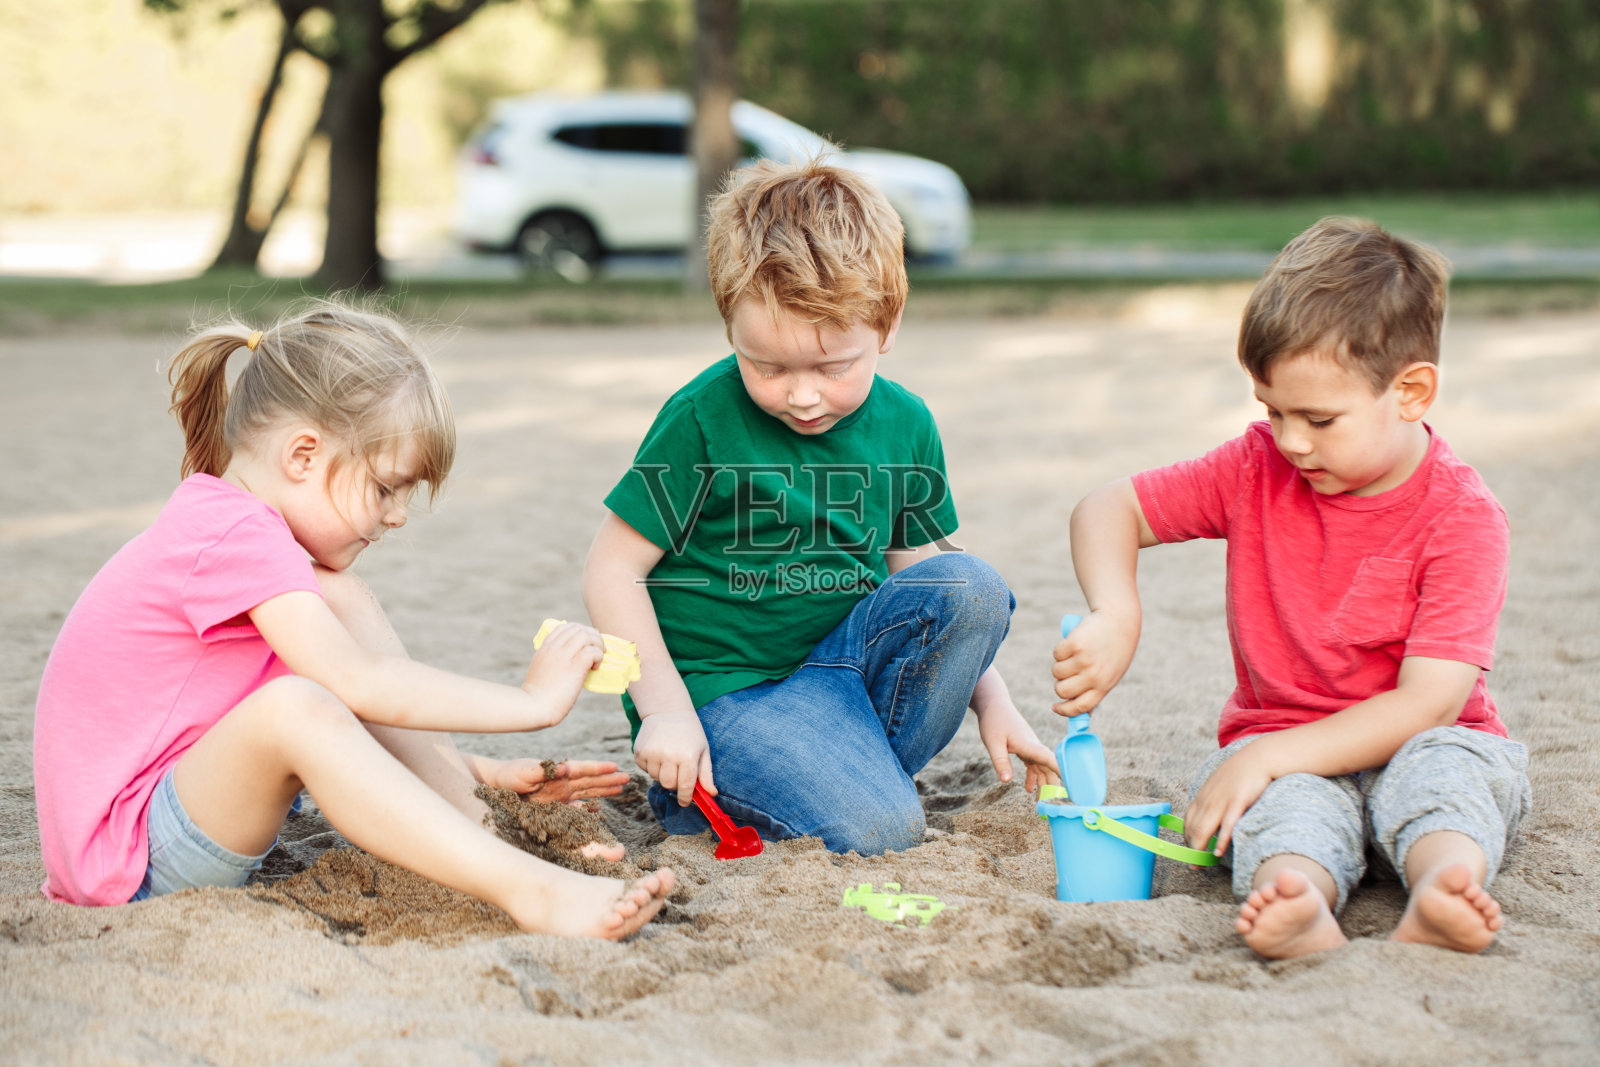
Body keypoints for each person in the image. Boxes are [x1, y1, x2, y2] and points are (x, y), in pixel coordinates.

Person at [33, 301, 673, 939]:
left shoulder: (243, 531)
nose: (396, 516)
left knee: (336, 603)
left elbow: (335, 718)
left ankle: (474, 817)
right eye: (386, 487)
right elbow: (354, 686)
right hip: (128, 860)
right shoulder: (237, 534)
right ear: (303, 455)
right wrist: (532, 700)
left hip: (170, 816)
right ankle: (529, 890)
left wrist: (478, 773)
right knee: (297, 704)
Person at [1053, 217, 1531, 958]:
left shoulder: (1463, 517)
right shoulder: (1256, 470)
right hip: (1282, 746)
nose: (1291, 440)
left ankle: (1442, 886)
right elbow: (1108, 507)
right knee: (1282, 812)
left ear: (1410, 392)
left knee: (1444, 782)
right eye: (1271, 410)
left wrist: (1264, 756)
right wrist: (1118, 610)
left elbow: (1430, 699)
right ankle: (1300, 897)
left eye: (1318, 418)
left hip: (1428, 736)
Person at [583, 158, 1058, 855]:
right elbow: (610, 569)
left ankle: (830, 775)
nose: (801, 395)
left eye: (833, 367)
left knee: (974, 586)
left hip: (844, 675)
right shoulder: (701, 418)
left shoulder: (907, 424)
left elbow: (919, 576)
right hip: (728, 696)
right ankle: (734, 787)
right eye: (767, 366)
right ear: (730, 329)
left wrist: (996, 701)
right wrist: (664, 711)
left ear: (887, 325)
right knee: (884, 828)